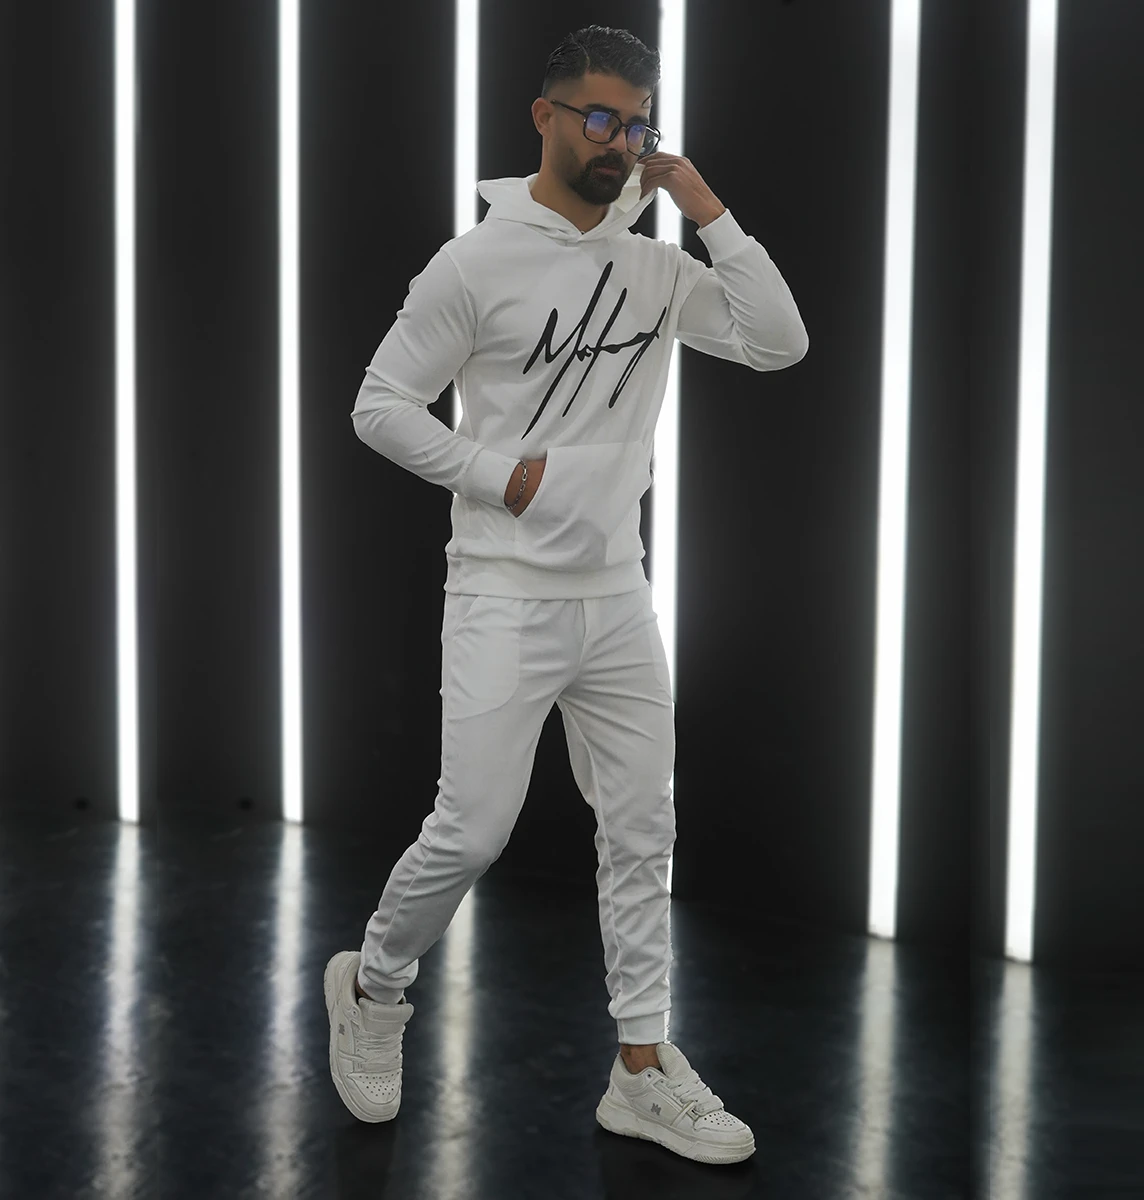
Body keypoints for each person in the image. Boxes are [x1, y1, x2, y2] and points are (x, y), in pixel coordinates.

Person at [323, 24, 807, 1165]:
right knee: (473, 829)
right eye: (599, 118)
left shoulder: (657, 268)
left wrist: (706, 208)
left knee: (642, 828)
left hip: (617, 595)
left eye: (637, 125)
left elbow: (779, 342)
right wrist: (497, 476)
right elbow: (379, 404)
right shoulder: (472, 266)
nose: (619, 143)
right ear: (543, 117)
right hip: (504, 592)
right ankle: (374, 986)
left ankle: (639, 1071)